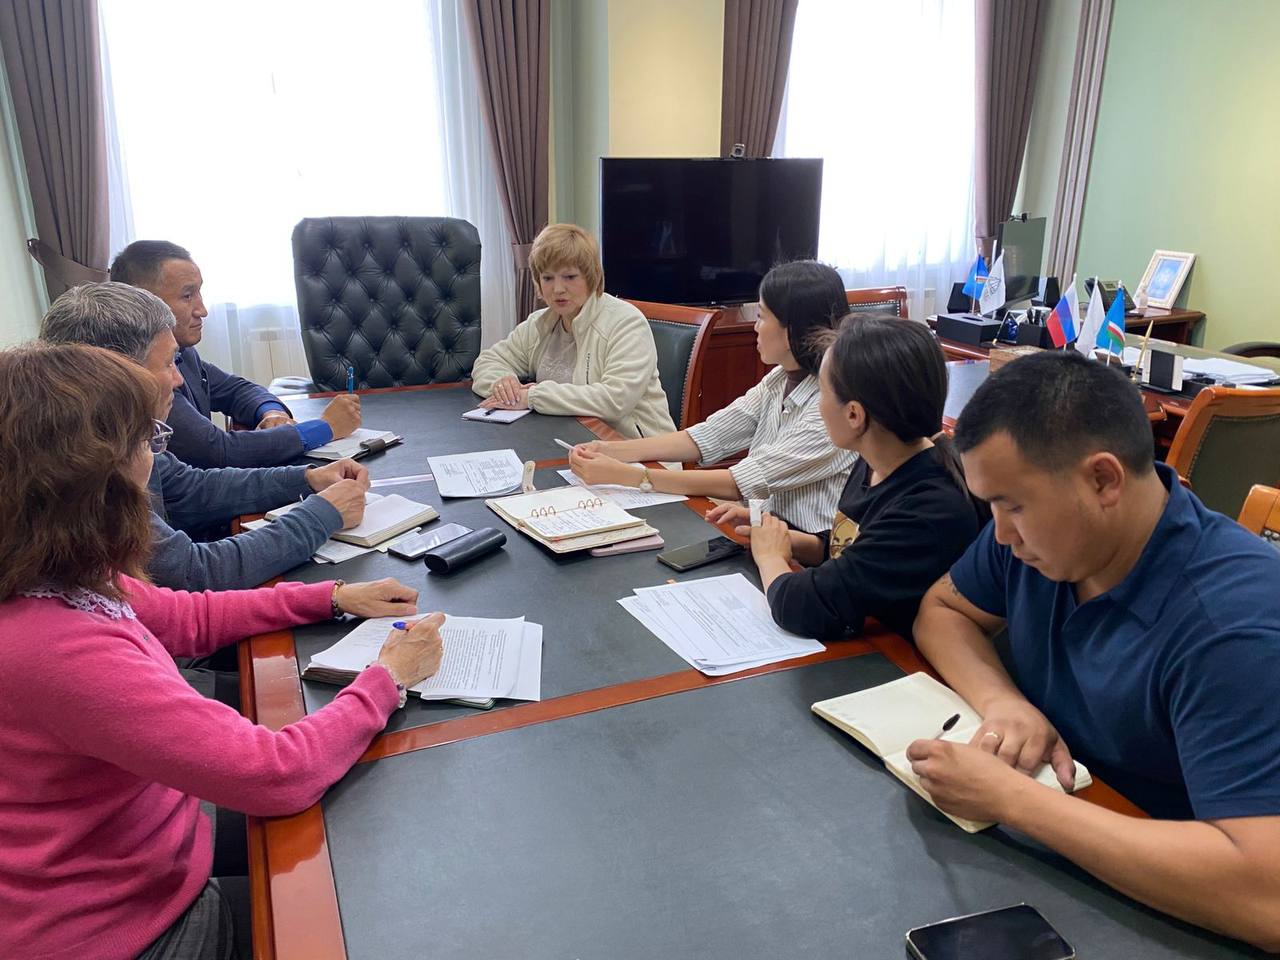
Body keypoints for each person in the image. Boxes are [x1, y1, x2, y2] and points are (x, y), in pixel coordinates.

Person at [0, 342, 446, 960]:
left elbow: (185, 617)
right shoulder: (55, 647)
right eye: (146, 440)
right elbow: (277, 775)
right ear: (91, 476)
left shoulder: (55, 574)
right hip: (129, 926)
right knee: (383, 899)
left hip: (139, 839)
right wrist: (387, 677)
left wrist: (331, 596)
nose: (155, 455)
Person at [906, 350, 1280, 951]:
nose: (999, 532)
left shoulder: (1231, 628)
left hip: (1177, 910)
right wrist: (1003, 702)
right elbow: (943, 612)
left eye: (1012, 505)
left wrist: (1013, 800)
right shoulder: (1040, 542)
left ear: (1103, 480)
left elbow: (1267, 898)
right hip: (1077, 857)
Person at [40, 283, 365, 591]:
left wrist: (306, 479)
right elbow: (193, 572)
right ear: (118, 374)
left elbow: (190, 488)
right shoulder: (80, 472)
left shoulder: (107, 432)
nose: (178, 380)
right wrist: (321, 515)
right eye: (168, 364)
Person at [718, 315, 983, 641]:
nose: (818, 407)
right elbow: (855, 548)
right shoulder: (877, 457)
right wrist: (784, 537)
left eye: (822, 393)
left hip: (895, 657)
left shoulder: (929, 509)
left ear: (854, 414)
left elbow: (802, 606)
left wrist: (770, 557)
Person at [568, 260, 856, 533]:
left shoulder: (831, 407)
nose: (755, 326)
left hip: (809, 550)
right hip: (764, 529)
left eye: (761, 316)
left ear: (791, 328)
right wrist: (611, 450)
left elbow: (738, 482)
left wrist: (628, 476)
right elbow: (708, 436)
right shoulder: (780, 378)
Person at [110, 239, 362, 468]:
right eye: (187, 296)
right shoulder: (139, 373)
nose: (203, 310)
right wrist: (325, 427)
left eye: (199, 292)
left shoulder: (182, 353)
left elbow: (234, 389)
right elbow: (219, 452)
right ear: (144, 302)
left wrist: (271, 412)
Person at [470, 223, 676, 439]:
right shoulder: (539, 323)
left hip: (636, 449)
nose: (558, 289)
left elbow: (615, 400)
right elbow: (488, 361)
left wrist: (533, 396)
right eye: (548, 278)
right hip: (571, 441)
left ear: (591, 276)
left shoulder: (626, 322)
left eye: (569, 277)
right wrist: (504, 384)